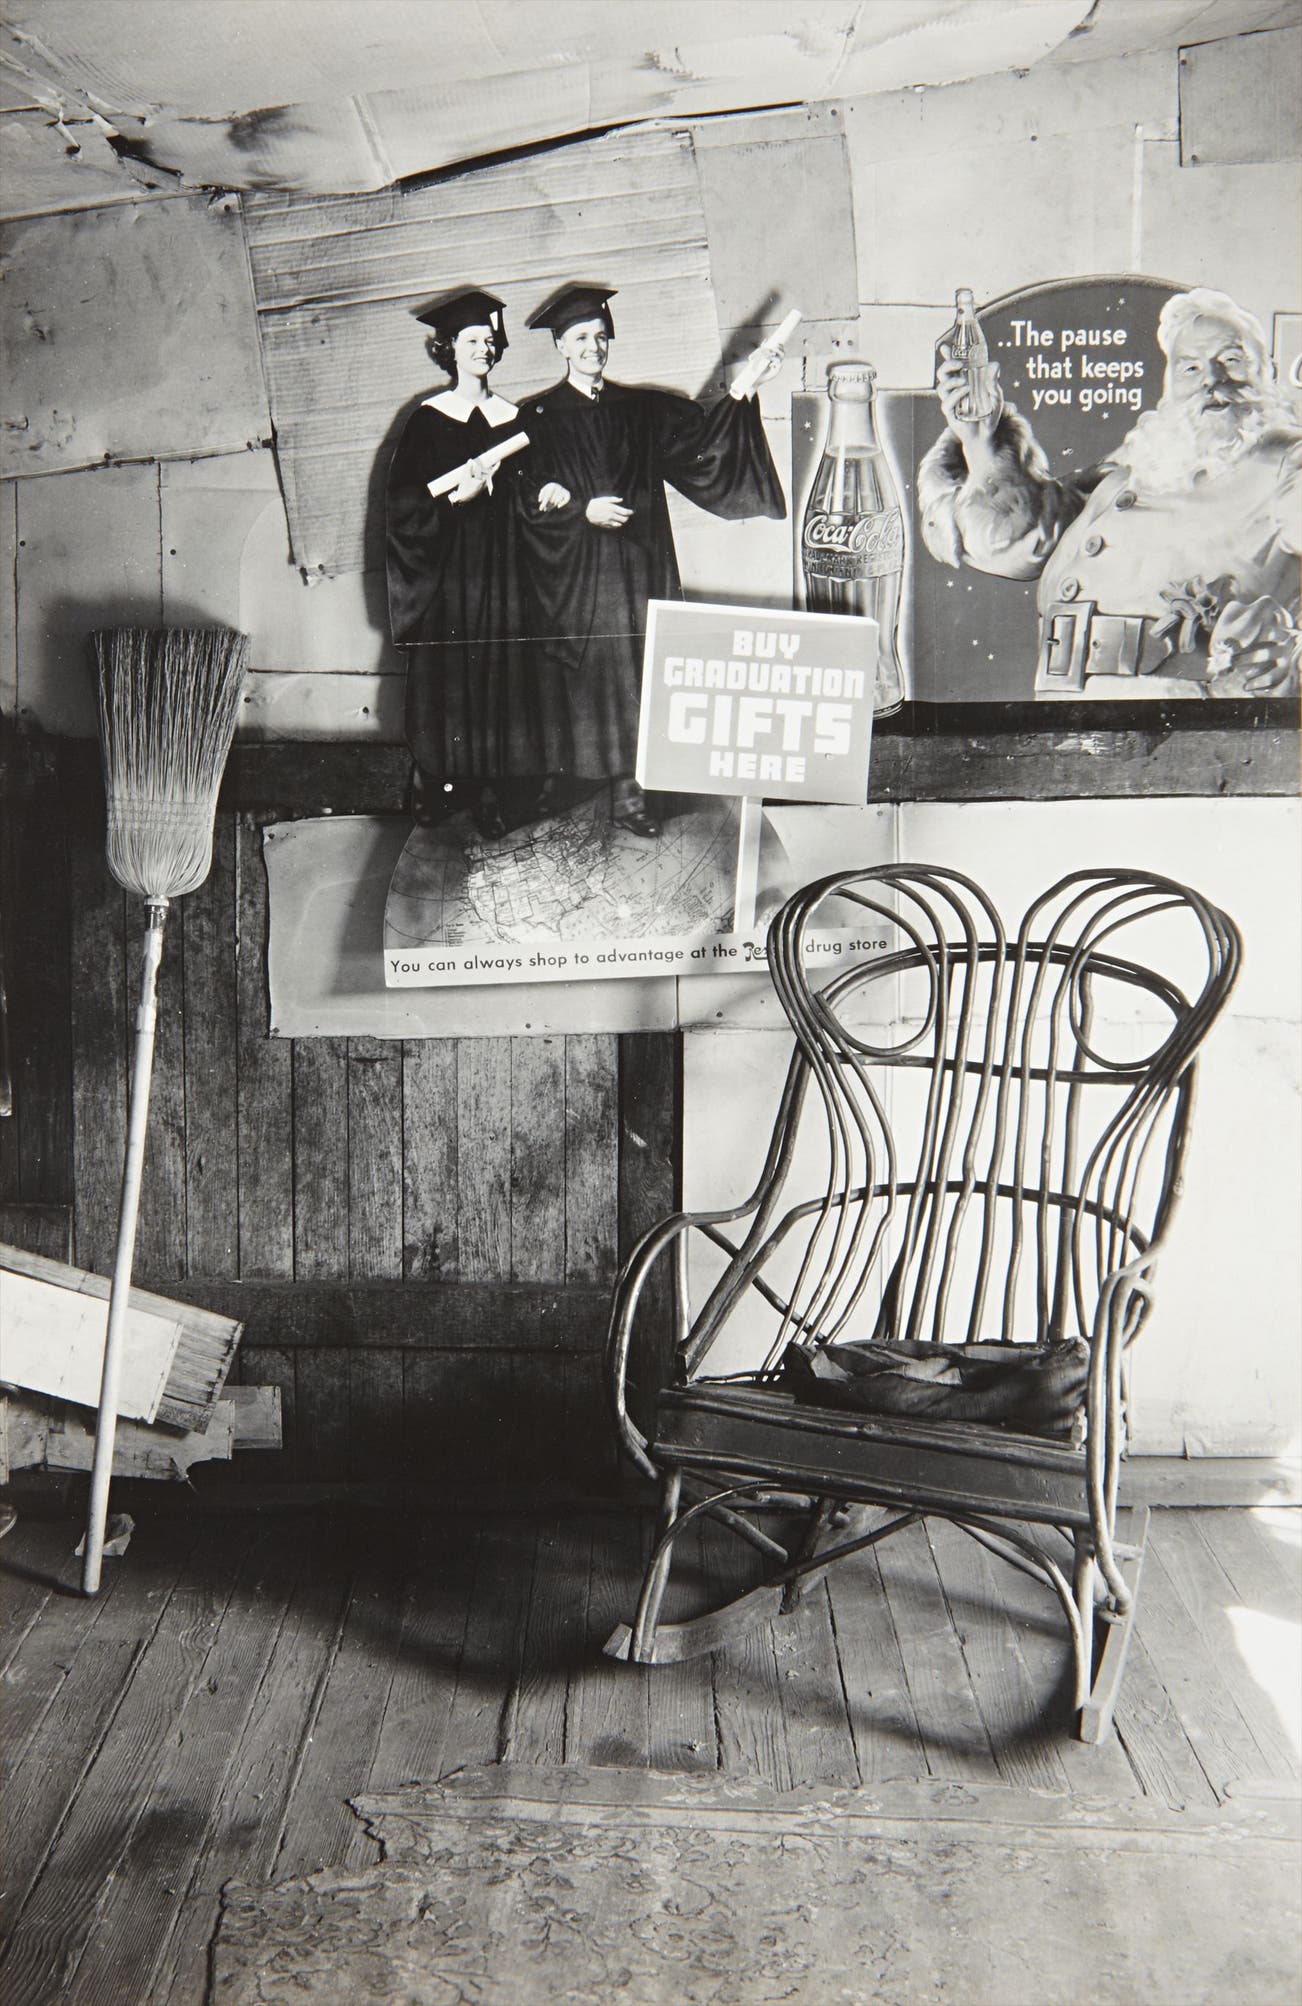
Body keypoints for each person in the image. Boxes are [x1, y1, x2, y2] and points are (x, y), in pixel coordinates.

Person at [918, 286, 1301, 699]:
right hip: (1065, 700)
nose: (1211, 378)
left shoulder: (1287, 461)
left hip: (1176, 711)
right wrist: (983, 440)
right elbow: (1023, 545)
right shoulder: (1150, 455)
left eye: (1231, 359)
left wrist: (1293, 654)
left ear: (1268, 370)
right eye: (1190, 367)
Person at [517, 284, 788, 836]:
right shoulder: (536, 416)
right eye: (580, 338)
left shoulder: (639, 408)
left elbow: (701, 445)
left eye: (600, 336)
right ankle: (577, 778)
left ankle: (631, 789)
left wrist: (744, 387)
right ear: (561, 347)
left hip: (641, 564)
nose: (593, 347)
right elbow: (522, 493)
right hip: (574, 570)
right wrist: (581, 511)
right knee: (587, 673)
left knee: (641, 666)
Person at [385, 288, 570, 836]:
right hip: (452, 573)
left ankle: (502, 791)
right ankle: (446, 784)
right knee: (453, 673)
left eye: (489, 341)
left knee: (509, 675)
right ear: (448, 349)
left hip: (509, 570)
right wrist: (455, 502)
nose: (483, 350)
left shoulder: (516, 420)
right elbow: (404, 507)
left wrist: (546, 493)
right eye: (470, 341)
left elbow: (533, 490)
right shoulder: (426, 421)